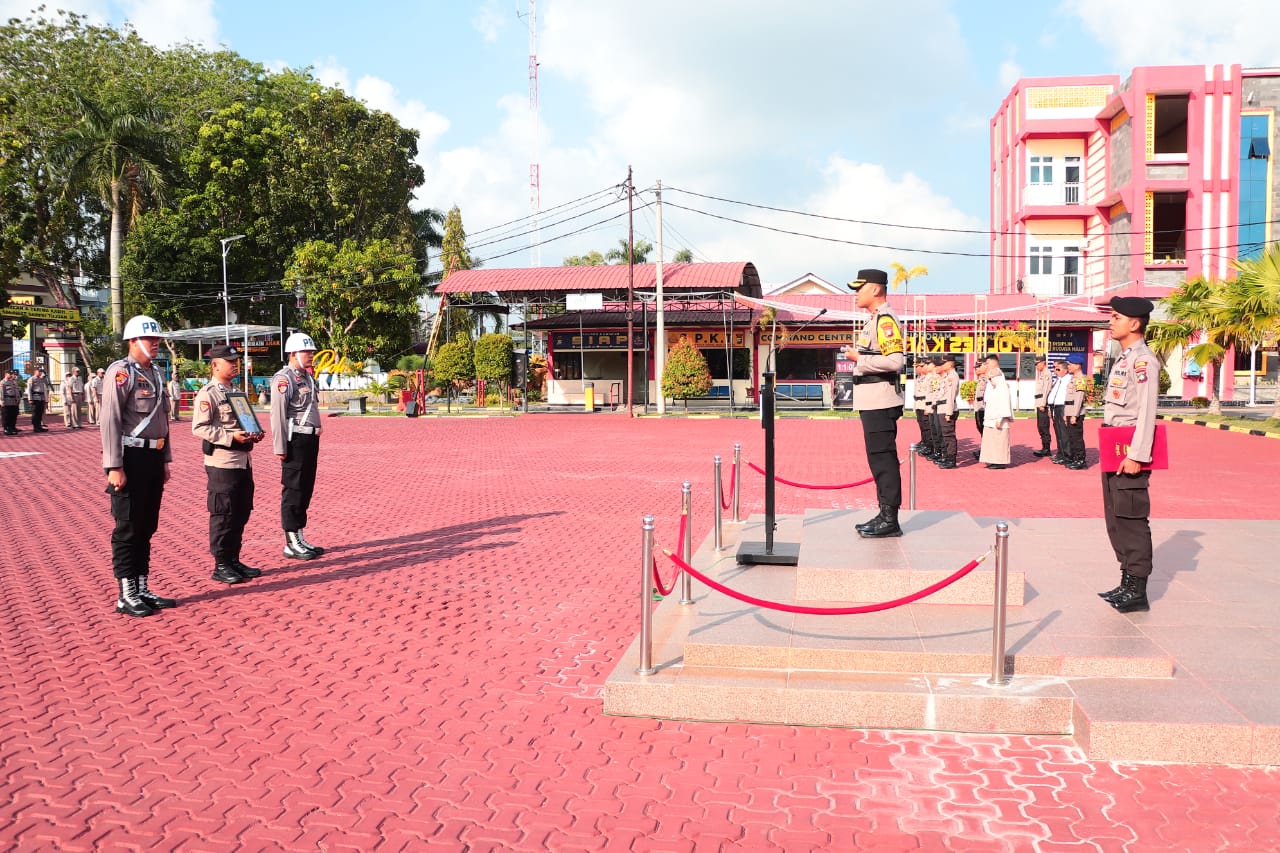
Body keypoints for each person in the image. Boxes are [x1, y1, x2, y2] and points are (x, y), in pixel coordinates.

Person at [100, 315, 177, 617]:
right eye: (149, 339)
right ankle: (126, 593)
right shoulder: (120, 373)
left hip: (153, 457)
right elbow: (110, 420)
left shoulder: (157, 374)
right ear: (133, 341)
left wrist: (165, 458)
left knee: (147, 525)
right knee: (128, 527)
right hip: (129, 458)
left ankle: (142, 586)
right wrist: (114, 465)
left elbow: (162, 422)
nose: (155, 344)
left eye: (157, 339)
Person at [1097, 296, 1160, 613]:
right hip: (1114, 449)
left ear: (1135, 324)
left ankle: (1138, 589)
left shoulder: (1142, 361)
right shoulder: (1123, 359)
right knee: (1115, 518)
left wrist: (1137, 454)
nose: (1112, 321)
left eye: (1117, 317)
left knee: (1132, 519)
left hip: (1129, 453)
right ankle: (1126, 581)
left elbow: (1147, 412)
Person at [840, 269, 906, 538]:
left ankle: (890, 519)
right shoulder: (874, 321)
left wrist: (859, 359)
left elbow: (895, 362)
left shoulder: (885, 321)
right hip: (873, 401)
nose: (856, 294)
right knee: (877, 458)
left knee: (883, 459)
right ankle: (884, 514)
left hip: (881, 400)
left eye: (860, 288)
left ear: (876, 290)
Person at [192, 343, 265, 584]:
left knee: (241, 512)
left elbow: (245, 422)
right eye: (230, 362)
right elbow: (199, 427)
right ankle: (220, 563)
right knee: (223, 514)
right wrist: (230, 437)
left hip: (243, 461)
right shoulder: (208, 394)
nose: (235, 366)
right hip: (222, 462)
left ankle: (233, 559)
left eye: (236, 362)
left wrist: (255, 432)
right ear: (215, 365)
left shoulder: (236, 392)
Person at [272, 331, 325, 559]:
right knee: (293, 490)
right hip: (295, 440)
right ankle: (290, 540)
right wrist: (280, 446)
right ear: (293, 354)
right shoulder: (284, 378)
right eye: (307, 351)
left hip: (310, 439)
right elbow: (278, 414)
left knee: (305, 489)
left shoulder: (307, 378)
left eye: (311, 351)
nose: (311, 355)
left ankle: (299, 535)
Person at [978, 355, 1014, 469]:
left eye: (992, 379)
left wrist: (1001, 418)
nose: (991, 380)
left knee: (999, 441)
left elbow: (1005, 403)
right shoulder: (994, 387)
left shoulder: (1002, 387)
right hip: (990, 417)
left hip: (999, 419)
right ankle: (993, 460)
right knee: (992, 440)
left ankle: (1000, 462)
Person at [933, 355, 960, 469]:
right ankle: (947, 457)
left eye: (943, 363)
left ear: (949, 364)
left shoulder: (952, 377)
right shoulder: (946, 377)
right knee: (944, 435)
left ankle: (951, 460)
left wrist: (949, 413)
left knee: (949, 435)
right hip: (942, 408)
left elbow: (950, 396)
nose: (941, 365)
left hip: (947, 408)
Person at [1064, 355, 1089, 469]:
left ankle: (1080, 460)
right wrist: (1066, 413)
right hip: (1070, 411)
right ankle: (1075, 458)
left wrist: (1075, 415)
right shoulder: (1073, 378)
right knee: (1071, 437)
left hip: (1076, 413)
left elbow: (1079, 398)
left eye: (1070, 364)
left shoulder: (1080, 379)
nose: (1068, 366)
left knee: (1076, 437)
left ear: (1077, 366)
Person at [1047, 360, 1071, 464]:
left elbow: (1068, 396)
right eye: (1055, 369)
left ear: (1065, 370)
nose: (1055, 371)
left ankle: (1067, 455)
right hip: (1055, 407)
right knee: (1058, 432)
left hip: (1062, 407)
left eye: (1058, 369)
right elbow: (1054, 394)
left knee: (1064, 433)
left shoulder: (1069, 380)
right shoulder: (1059, 380)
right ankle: (1061, 453)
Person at [911, 358, 934, 460]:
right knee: (922, 425)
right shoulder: (919, 377)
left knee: (927, 426)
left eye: (918, 366)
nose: (916, 369)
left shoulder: (930, 377)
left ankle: (929, 445)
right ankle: (925, 442)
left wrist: (928, 406)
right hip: (919, 403)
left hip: (925, 404)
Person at [1032, 356, 1054, 457]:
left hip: (1042, 403)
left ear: (1043, 363)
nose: (1036, 366)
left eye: (1037, 363)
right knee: (1040, 426)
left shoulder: (1047, 374)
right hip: (1039, 402)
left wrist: (1043, 403)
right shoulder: (1041, 374)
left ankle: (1046, 449)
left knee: (1044, 426)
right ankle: (1044, 447)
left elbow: (1046, 389)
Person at [26, 367, 52, 432]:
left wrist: (45, 399)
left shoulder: (41, 379)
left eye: (41, 371)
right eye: (39, 371)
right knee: (35, 413)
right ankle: (35, 427)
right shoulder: (31, 379)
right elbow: (29, 390)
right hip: (35, 398)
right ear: (35, 372)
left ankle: (39, 426)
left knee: (40, 413)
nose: (40, 372)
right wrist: (30, 399)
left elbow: (44, 389)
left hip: (41, 398)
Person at [1, 370, 21, 434]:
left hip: (13, 401)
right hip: (6, 400)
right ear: (6, 374)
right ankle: (6, 429)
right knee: (6, 416)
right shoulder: (2, 382)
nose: (12, 375)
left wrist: (18, 399)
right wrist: (1, 401)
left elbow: (16, 392)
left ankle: (12, 427)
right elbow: (1, 393)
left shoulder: (13, 382)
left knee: (13, 415)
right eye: (10, 374)